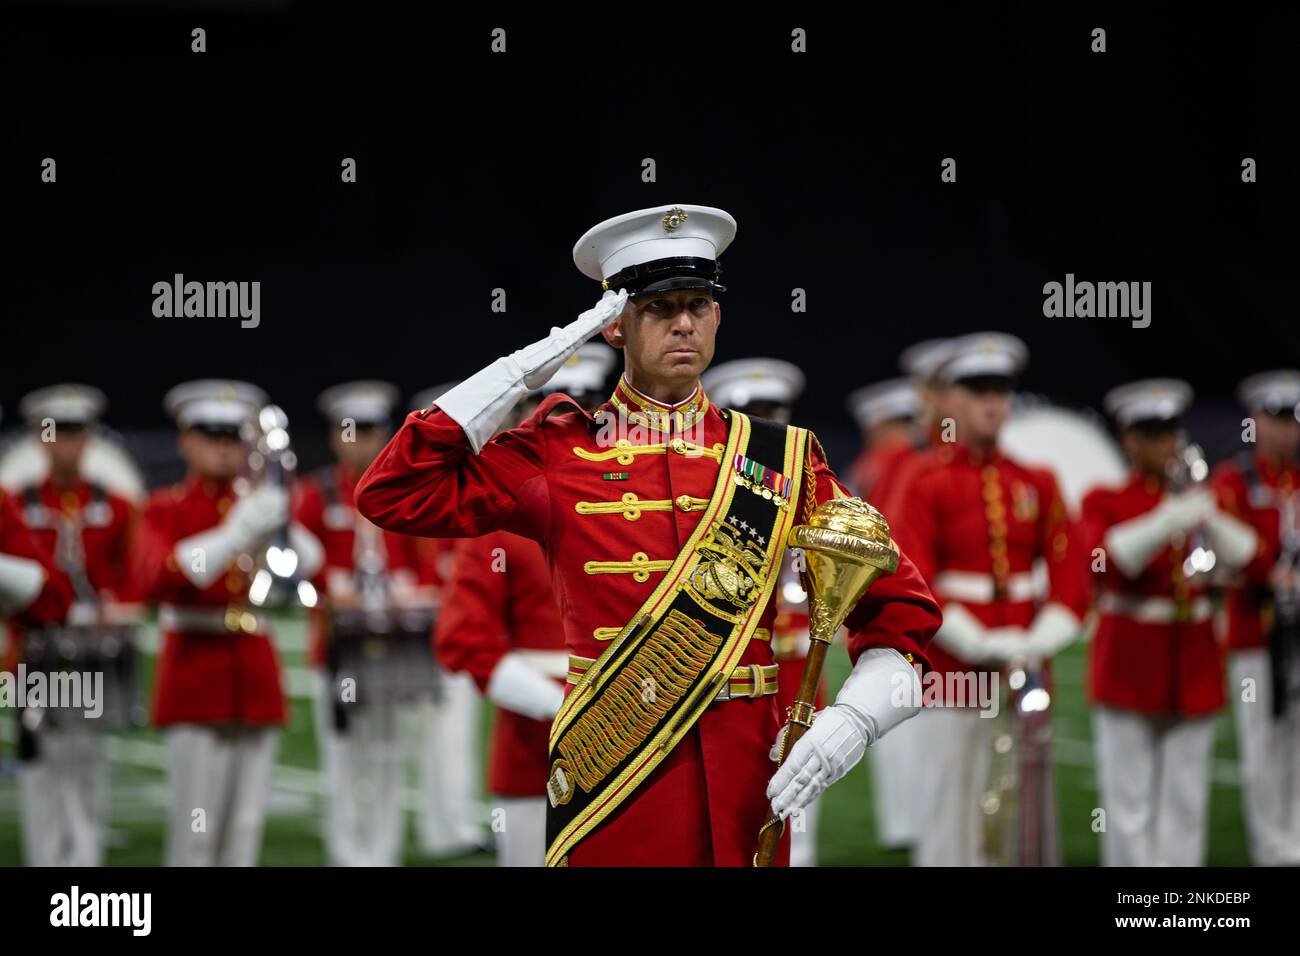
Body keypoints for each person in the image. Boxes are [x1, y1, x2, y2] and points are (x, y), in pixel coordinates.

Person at [354, 203, 940, 866]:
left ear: (719, 315)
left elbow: (901, 606)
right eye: (660, 308)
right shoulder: (558, 447)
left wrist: (856, 721)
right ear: (614, 326)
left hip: (750, 771)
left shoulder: (782, 457)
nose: (685, 322)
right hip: (618, 773)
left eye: (698, 304)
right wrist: (531, 362)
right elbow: (392, 491)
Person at [888, 332, 1088, 866]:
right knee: (951, 807)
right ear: (949, 399)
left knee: (1027, 810)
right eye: (977, 389)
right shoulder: (923, 480)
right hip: (952, 669)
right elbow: (915, 579)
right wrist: (981, 642)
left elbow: (1072, 576)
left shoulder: (1036, 480)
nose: (993, 402)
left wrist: (1035, 641)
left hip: (1026, 664)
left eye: (1000, 389)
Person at [436, 343, 616, 867]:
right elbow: (465, 640)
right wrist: (557, 707)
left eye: (585, 416)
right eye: (559, 417)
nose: (575, 434)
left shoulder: (637, 511)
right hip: (534, 744)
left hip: (635, 736)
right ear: (530, 422)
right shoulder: (500, 524)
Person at [132, 380, 323, 866]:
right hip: (195, 668)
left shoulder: (258, 503)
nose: (223, 447)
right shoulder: (164, 507)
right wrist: (238, 529)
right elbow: (163, 575)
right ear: (186, 441)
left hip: (253, 666)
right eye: (210, 435)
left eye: (233, 436)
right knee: (194, 824)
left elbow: (308, 565)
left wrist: (279, 522)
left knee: (245, 825)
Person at [1082, 379, 1258, 866]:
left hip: (1193, 659)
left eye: (1171, 431)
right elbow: (1107, 559)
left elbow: (1248, 556)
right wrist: (1170, 518)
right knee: (1128, 799)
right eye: (1151, 432)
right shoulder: (1106, 499)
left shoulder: (1204, 498)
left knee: (1186, 797)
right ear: (1129, 440)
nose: (1166, 442)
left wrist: (1204, 513)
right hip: (1130, 660)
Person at [296, 380, 441, 866]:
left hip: (398, 645)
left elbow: (427, 561)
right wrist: (325, 594)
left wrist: (416, 590)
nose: (362, 441)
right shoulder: (315, 494)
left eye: (372, 430)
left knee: (389, 754)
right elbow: (295, 568)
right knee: (344, 758)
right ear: (336, 437)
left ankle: (382, 853)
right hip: (338, 649)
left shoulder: (404, 490)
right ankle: (348, 854)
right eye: (351, 431)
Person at [700, 356, 825, 866]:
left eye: (777, 415)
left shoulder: (808, 486)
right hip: (730, 674)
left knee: (802, 810)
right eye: (756, 416)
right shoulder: (708, 493)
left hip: (796, 670)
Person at [6, 385, 137, 866]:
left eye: (76, 433)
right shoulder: (14, 502)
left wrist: (114, 604)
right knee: (41, 771)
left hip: (93, 656)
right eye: (57, 433)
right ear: (41, 440)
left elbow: (135, 576)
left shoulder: (119, 506)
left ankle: (84, 870)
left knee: (88, 768)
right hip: (34, 654)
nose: (67, 444)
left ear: (90, 440)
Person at [1211, 370, 1300, 865]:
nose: (1286, 429)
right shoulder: (1234, 479)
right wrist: (1268, 570)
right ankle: (1273, 852)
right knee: (1263, 747)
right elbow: (1224, 558)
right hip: (1256, 637)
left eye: (1293, 419)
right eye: (1276, 418)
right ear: (1255, 422)